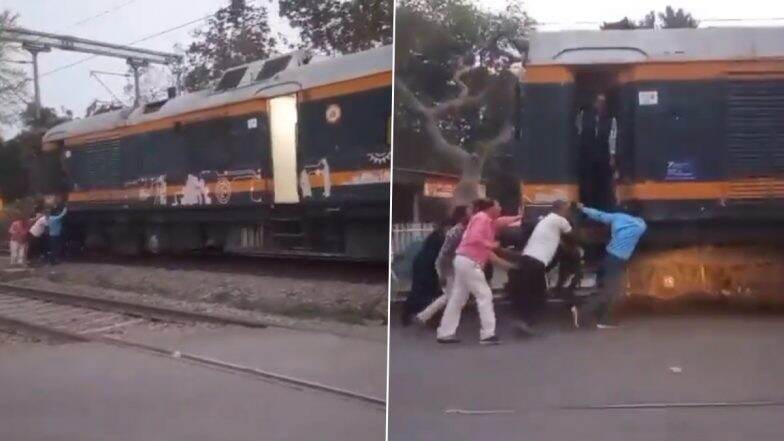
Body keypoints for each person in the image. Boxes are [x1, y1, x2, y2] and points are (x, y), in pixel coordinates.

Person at [436, 198, 521, 345]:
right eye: (498, 205)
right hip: (470, 261)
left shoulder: (483, 219)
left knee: (457, 298)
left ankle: (445, 332)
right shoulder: (482, 218)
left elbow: (501, 221)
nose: (500, 208)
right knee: (484, 295)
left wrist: (518, 217)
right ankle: (487, 334)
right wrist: (491, 244)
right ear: (490, 208)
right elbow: (475, 238)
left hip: (463, 260)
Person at [572, 204, 647, 329]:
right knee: (610, 291)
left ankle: (604, 318)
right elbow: (639, 223)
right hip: (617, 261)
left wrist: (582, 208)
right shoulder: (641, 226)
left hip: (609, 257)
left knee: (613, 291)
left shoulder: (617, 217)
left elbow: (598, 214)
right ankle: (583, 312)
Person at [508, 200, 575, 335]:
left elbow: (556, 240)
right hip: (536, 262)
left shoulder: (546, 220)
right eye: (567, 209)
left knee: (528, 291)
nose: (568, 212)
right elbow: (574, 236)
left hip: (527, 258)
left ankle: (523, 320)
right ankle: (526, 322)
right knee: (538, 294)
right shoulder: (560, 220)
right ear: (561, 209)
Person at [414, 205, 471, 325]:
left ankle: (425, 316)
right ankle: (426, 316)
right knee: (452, 295)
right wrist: (443, 274)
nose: (472, 213)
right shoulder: (453, 231)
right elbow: (445, 254)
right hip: (446, 266)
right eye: (469, 211)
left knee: (453, 295)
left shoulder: (460, 229)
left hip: (450, 266)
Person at [401, 222, 448, 326]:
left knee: (421, 290)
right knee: (427, 291)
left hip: (424, 263)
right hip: (428, 265)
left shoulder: (437, 236)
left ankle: (414, 313)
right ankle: (427, 316)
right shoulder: (440, 237)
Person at [577, 93, 616, 210]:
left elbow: (612, 138)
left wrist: (612, 156)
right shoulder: (583, 117)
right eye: (598, 102)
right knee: (587, 182)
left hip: (603, 156)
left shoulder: (611, 120)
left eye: (603, 102)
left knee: (603, 183)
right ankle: (587, 207)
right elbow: (578, 134)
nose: (600, 105)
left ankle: (603, 207)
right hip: (586, 156)